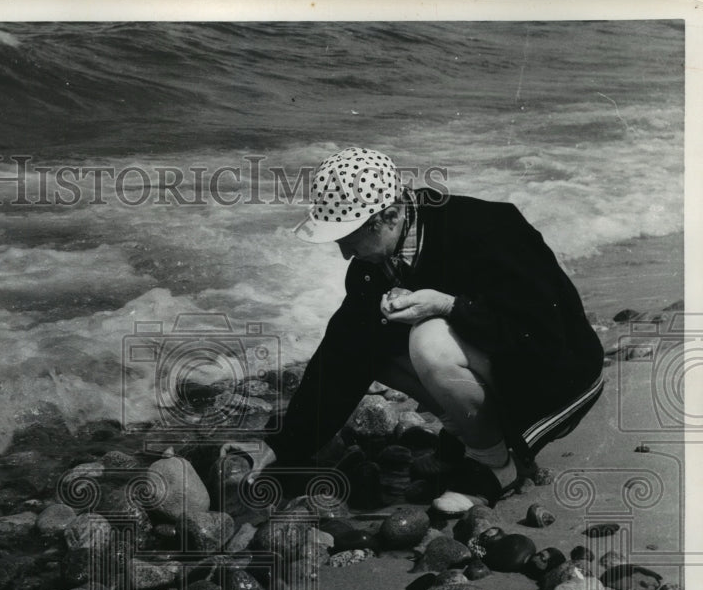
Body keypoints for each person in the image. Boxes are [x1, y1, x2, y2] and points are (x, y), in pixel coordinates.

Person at [233, 147, 604, 512]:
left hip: (562, 378)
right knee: (367, 341)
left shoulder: (488, 229)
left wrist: (451, 306)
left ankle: (493, 464)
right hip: (503, 361)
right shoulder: (373, 265)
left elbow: (543, 337)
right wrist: (282, 446)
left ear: (390, 216)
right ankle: (469, 438)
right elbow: (340, 357)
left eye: (347, 236)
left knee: (429, 341)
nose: (344, 252)